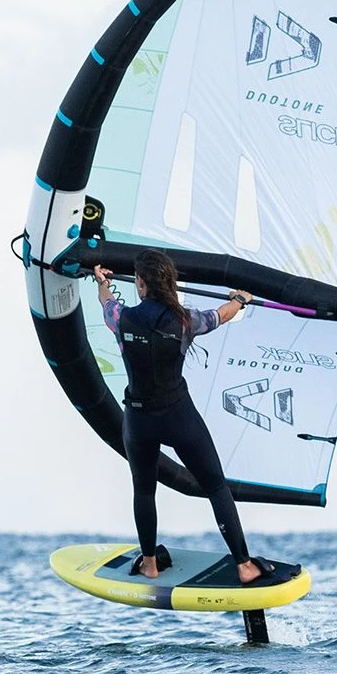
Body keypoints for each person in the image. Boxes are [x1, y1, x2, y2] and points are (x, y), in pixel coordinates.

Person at [94, 249, 273, 585]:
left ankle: (149, 564)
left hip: (139, 421)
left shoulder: (121, 318)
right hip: (178, 417)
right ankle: (245, 565)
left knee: (144, 491)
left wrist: (102, 282)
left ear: (141, 284)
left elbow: (106, 303)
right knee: (216, 487)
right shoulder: (186, 321)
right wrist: (240, 299)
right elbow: (220, 315)